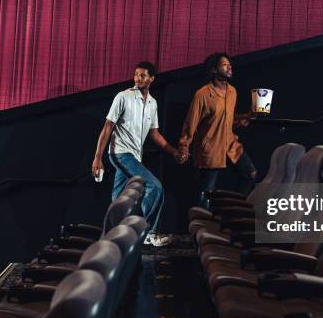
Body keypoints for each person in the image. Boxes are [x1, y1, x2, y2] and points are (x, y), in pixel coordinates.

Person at [92, 61, 186, 247]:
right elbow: (108, 126)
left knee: (119, 197)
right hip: (120, 153)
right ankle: (150, 232)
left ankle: (111, 237)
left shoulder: (152, 103)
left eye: (142, 75)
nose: (137, 78)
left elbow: (154, 134)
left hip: (134, 156)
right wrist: (97, 157)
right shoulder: (123, 97)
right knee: (155, 187)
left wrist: (174, 152)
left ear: (151, 79)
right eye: (136, 74)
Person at [179, 53, 258, 209]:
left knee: (250, 174)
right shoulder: (203, 94)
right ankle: (199, 228)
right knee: (206, 192)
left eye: (230, 64)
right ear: (214, 70)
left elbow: (226, 119)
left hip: (230, 144)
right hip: (211, 148)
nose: (229, 67)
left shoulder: (232, 92)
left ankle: (234, 212)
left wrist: (246, 117)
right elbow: (190, 123)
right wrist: (184, 146)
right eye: (224, 64)